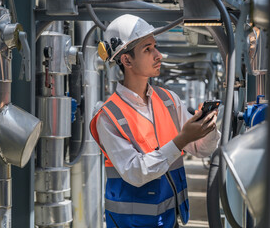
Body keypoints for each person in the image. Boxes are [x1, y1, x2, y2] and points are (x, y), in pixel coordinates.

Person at [90, 14, 221, 228]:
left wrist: (208, 129)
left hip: (170, 220)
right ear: (126, 60)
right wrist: (180, 140)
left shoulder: (169, 100)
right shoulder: (109, 115)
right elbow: (135, 172)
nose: (158, 55)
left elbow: (201, 149)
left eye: (155, 47)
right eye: (147, 49)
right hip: (132, 224)